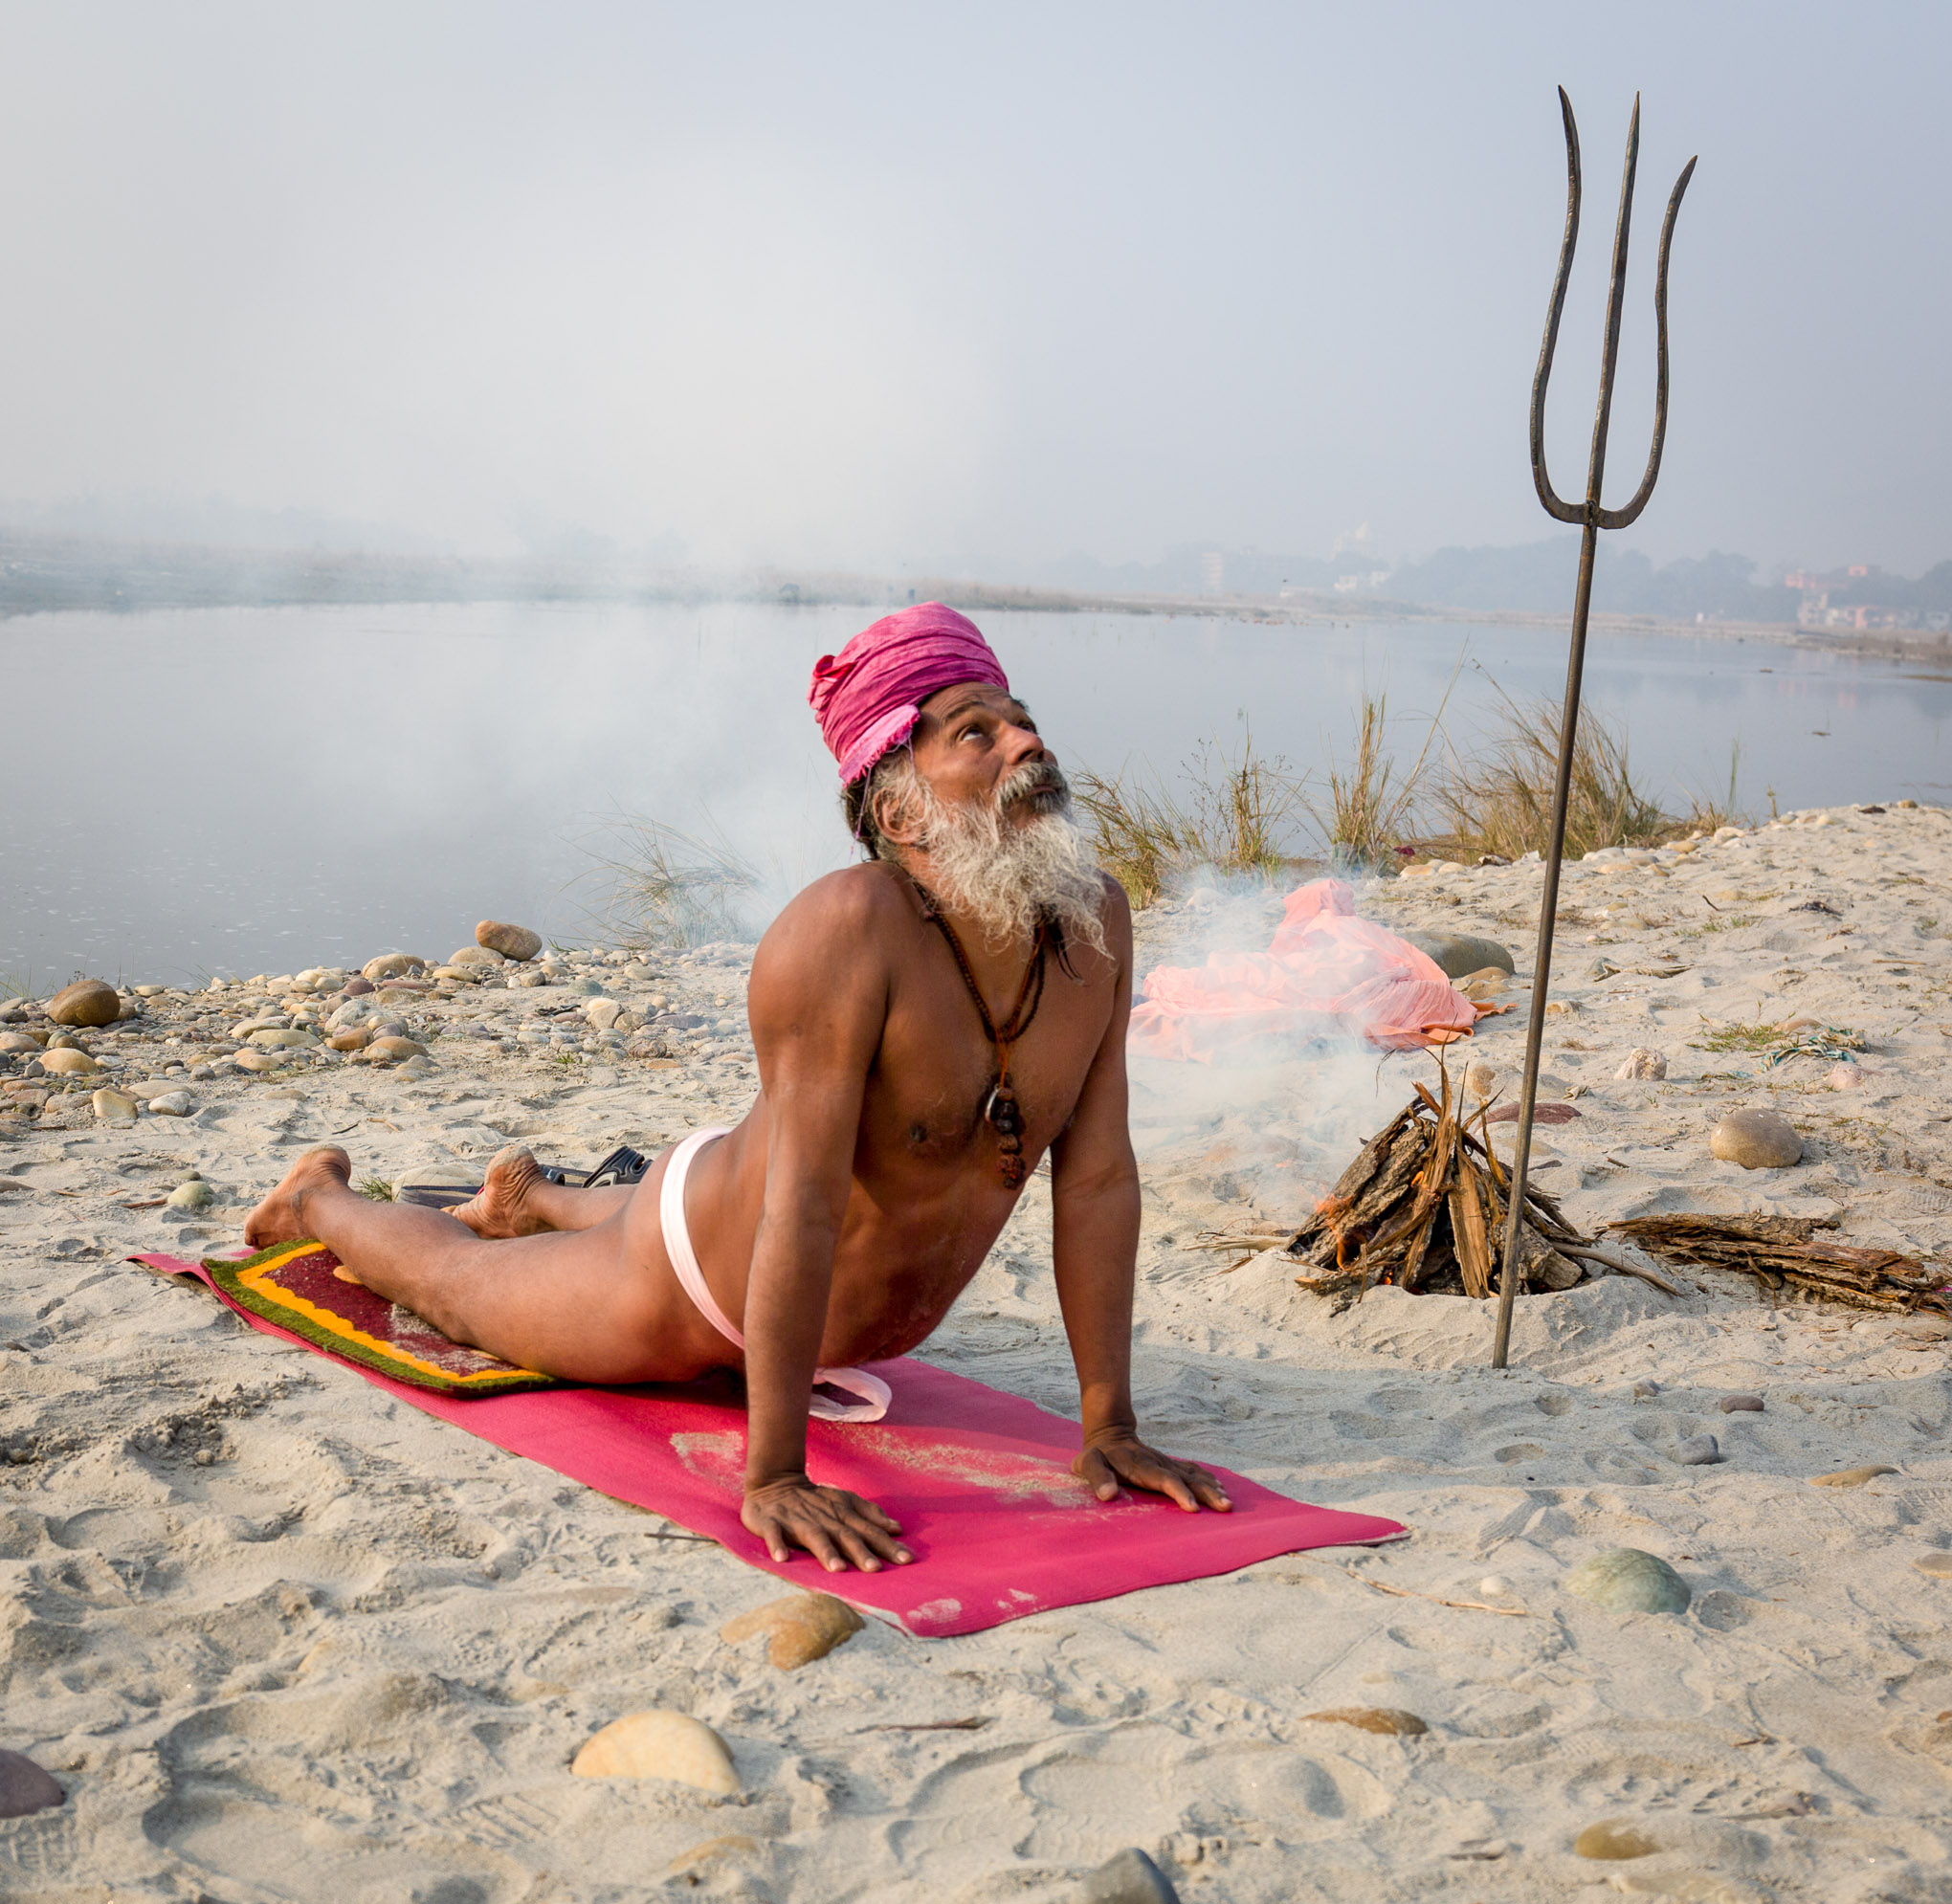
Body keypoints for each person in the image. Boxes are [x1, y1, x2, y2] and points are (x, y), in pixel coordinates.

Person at [245, 603, 1230, 1573]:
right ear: (899, 811)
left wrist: (1114, 1425)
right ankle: (318, 1193)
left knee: (711, 1180)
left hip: (758, 1211)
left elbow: (1097, 1178)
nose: (1026, 741)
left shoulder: (1093, 917)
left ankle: (535, 1197)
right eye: (979, 731)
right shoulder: (843, 929)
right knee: (453, 1288)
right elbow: (799, 1206)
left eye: (1024, 720)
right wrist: (775, 1473)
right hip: (690, 1279)